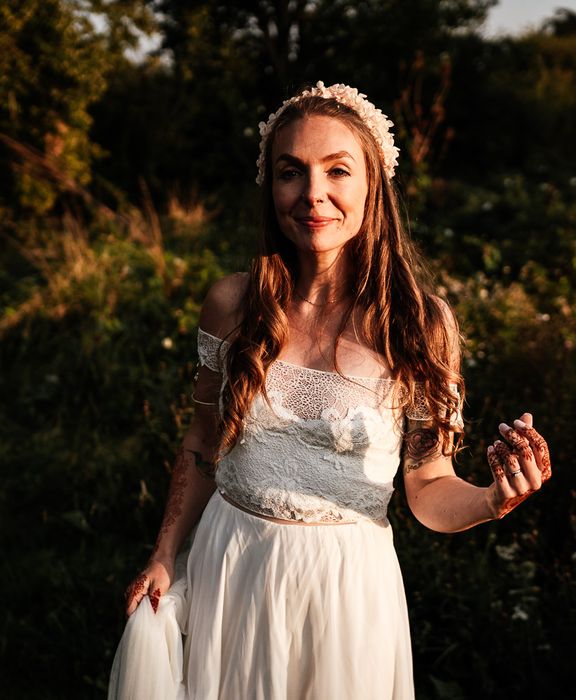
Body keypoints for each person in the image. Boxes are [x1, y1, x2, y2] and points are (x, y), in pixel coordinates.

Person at [109, 81, 552, 700]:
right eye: (291, 173)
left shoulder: (422, 326)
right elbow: (202, 442)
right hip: (231, 565)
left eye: (337, 171)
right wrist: (164, 554)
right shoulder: (232, 304)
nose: (313, 195)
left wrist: (490, 501)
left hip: (345, 592)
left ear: (373, 187)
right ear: (270, 188)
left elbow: (426, 487)